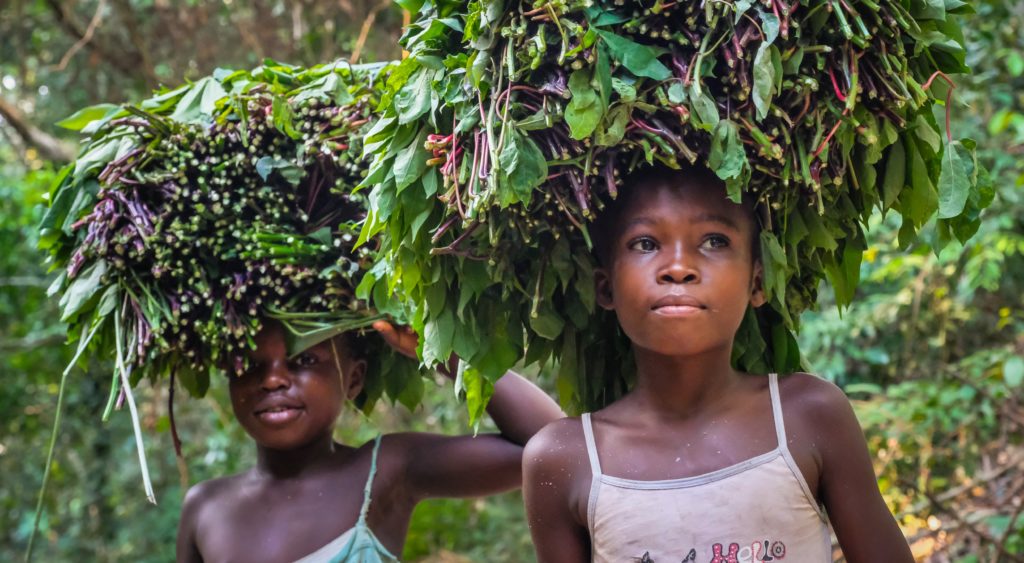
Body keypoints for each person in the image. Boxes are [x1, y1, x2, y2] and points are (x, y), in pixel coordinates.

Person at [522, 164, 913, 562]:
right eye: (645, 244)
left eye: (713, 241)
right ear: (605, 287)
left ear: (757, 282)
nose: (678, 268)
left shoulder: (809, 415)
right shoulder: (565, 459)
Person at [176, 320, 563, 562]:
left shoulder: (387, 472)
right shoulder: (205, 506)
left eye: (304, 361)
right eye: (249, 364)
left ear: (354, 380)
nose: (273, 379)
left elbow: (557, 448)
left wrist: (441, 351)